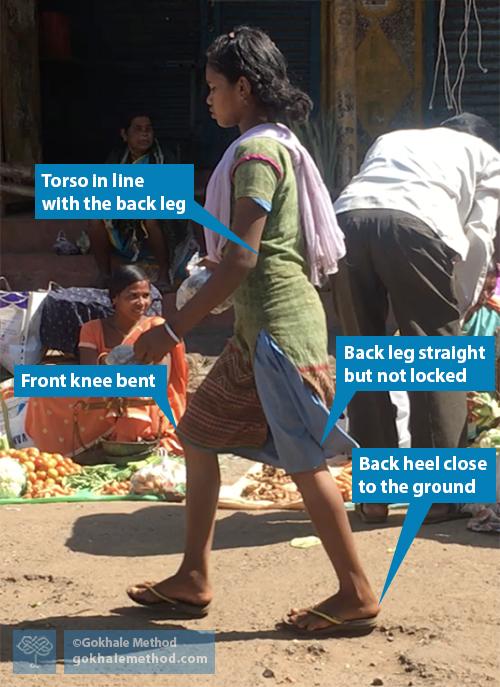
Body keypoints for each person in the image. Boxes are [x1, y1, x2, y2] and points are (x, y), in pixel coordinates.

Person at [126, 26, 380, 637]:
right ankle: (193, 576)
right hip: (259, 334)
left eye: (215, 88)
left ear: (243, 88)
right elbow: (251, 252)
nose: (208, 99)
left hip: (278, 336)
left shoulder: (255, 154)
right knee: (199, 434)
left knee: (303, 461)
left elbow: (243, 257)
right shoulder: (274, 146)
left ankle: (357, 591)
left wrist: (173, 330)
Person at [332, 113, 500, 524]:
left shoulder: (393, 136)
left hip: (346, 223)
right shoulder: (489, 156)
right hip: (415, 228)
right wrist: (458, 306)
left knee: (365, 357)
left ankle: (374, 499)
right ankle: (439, 499)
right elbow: (480, 236)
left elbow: (374, 197)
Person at [26, 266, 188, 455]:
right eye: (133, 296)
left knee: (134, 399)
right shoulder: (92, 329)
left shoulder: (155, 327)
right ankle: (60, 448)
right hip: (101, 390)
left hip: (143, 394)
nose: (142, 303)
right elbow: (90, 375)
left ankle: (124, 442)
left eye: (146, 296)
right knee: (39, 384)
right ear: (115, 299)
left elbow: (159, 378)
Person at [88, 114, 176, 287]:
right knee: (95, 219)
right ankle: (105, 275)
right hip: (124, 215)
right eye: (138, 129)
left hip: (161, 215)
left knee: (150, 219)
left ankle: (164, 273)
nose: (145, 134)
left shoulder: (164, 157)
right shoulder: (117, 157)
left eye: (148, 129)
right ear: (124, 134)